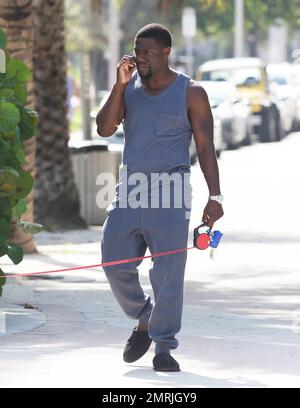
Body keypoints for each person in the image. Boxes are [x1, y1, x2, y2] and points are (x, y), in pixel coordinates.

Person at [96, 23, 224, 372]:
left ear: (166, 52)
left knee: (168, 274)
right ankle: (144, 317)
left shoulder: (191, 92)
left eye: (147, 52)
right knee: (113, 260)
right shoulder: (129, 87)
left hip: (172, 194)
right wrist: (119, 86)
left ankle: (164, 347)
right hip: (130, 191)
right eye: (136, 51)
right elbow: (105, 128)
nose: (139, 58)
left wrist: (216, 196)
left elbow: (205, 146)